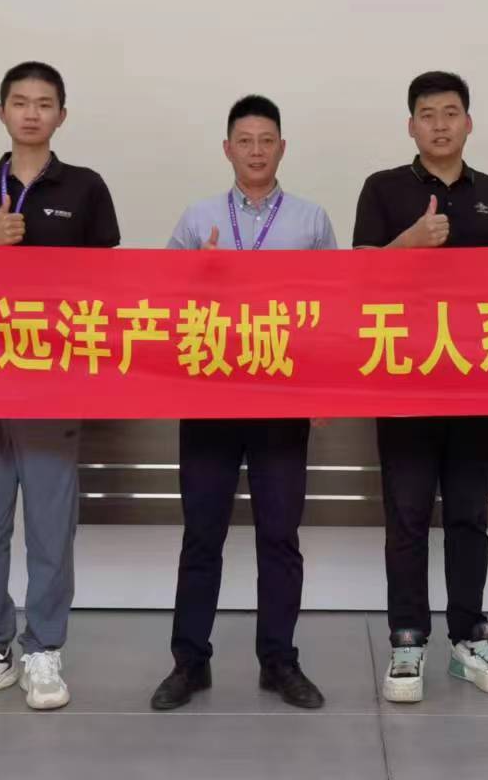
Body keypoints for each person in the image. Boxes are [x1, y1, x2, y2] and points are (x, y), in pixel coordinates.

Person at [0, 61, 121, 712]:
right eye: (20, 102)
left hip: (52, 380)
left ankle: (43, 649)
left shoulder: (86, 187)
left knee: (49, 524)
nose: (32, 113)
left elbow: (109, 285)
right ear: (2, 112)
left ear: (61, 115)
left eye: (44, 103)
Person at [149, 95, 338, 712]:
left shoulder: (311, 220)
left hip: (283, 400)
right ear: (227, 149)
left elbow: (332, 310)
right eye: (245, 141)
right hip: (210, 398)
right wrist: (195, 275)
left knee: (279, 536)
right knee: (202, 534)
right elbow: (160, 303)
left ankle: (279, 661)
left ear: (282, 148)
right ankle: (189, 662)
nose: (256, 151)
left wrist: (322, 389)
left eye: (267, 140)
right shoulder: (197, 217)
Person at [352, 70, 488, 704]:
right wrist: (408, 242)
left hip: (477, 380)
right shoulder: (383, 188)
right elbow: (357, 278)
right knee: (406, 514)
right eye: (428, 114)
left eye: (451, 112)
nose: (441, 124)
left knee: (469, 514)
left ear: (468, 122)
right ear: (411, 126)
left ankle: (470, 636)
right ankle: (407, 638)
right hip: (403, 379)